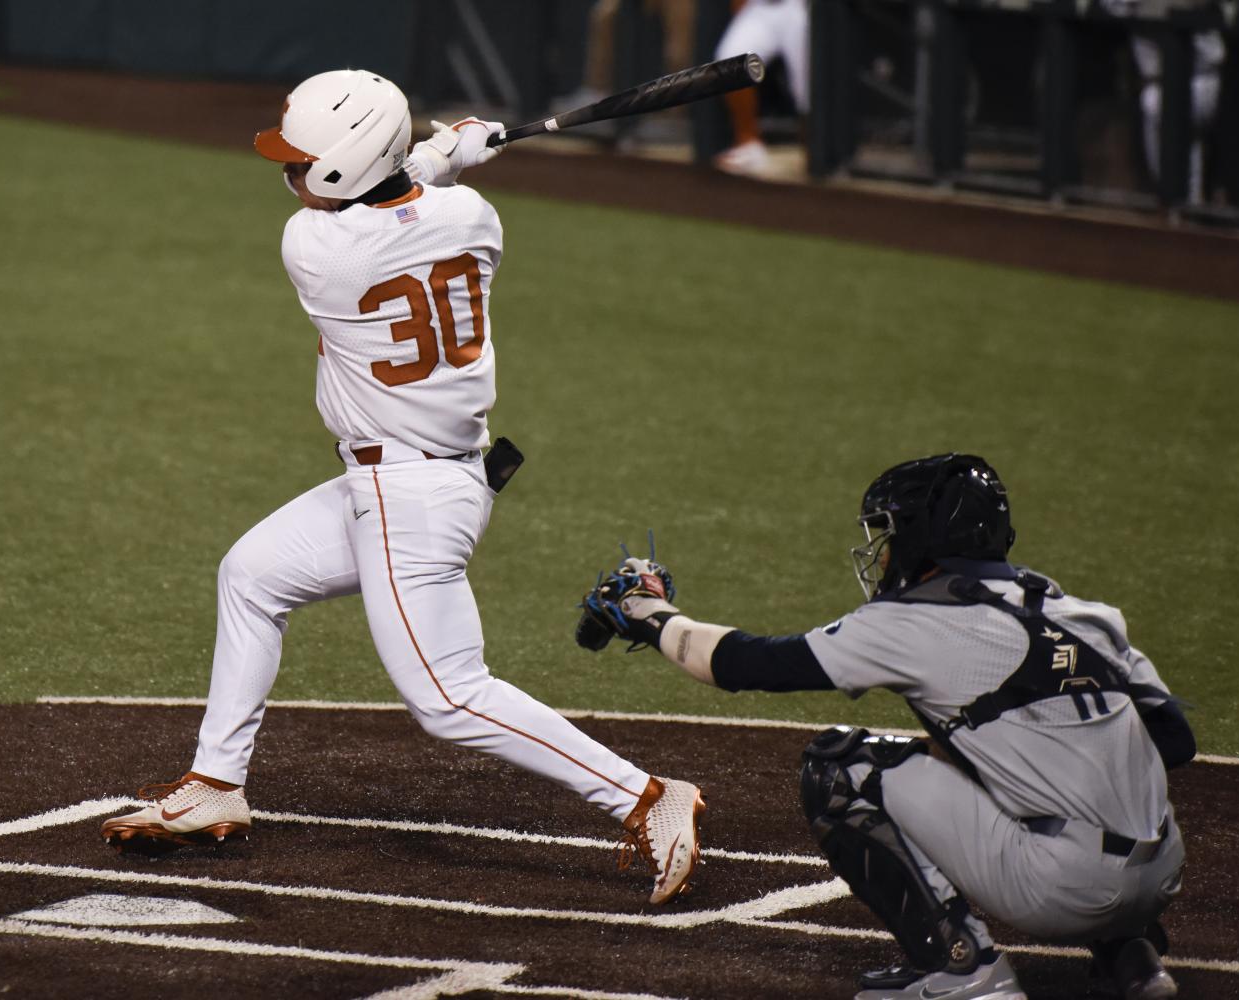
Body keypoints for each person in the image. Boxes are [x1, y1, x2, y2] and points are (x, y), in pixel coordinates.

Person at [99, 69, 705, 906]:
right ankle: (215, 783)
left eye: (303, 159)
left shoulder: (313, 248)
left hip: (408, 502)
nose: (290, 172)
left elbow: (391, 196)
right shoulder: (477, 221)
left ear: (345, 164)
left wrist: (441, 150)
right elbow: (414, 198)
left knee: (450, 699)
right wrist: (445, 156)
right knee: (251, 574)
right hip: (424, 476)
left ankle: (644, 797)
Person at [578, 454, 1192, 998]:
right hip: (1163, 871)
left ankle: (964, 972)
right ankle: (1129, 955)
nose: (884, 550)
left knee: (840, 767)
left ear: (925, 539)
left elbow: (747, 663)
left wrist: (650, 615)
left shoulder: (916, 623)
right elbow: (1173, 740)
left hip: (1061, 888)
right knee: (1032, 770)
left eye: (891, 534)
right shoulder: (1078, 610)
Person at [711, 0, 810, 177]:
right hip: (760, 7)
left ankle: (814, 151)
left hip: (798, 7)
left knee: (806, 87)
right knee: (731, 64)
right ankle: (749, 144)